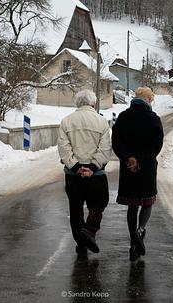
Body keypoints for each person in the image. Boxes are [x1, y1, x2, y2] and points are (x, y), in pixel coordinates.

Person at [112, 87, 164, 261]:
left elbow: (116, 142)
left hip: (128, 167)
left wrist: (129, 158)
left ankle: (132, 244)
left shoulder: (123, 117)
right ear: (148, 100)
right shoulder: (153, 118)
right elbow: (157, 145)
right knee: (148, 201)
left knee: (132, 205)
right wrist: (141, 159)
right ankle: (139, 231)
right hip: (147, 167)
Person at [58, 90, 112, 254]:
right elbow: (104, 149)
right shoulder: (102, 122)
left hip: (73, 176)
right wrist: (93, 167)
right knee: (99, 204)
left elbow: (63, 148)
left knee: (75, 209)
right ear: (93, 104)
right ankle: (89, 230)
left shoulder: (66, 122)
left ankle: (81, 243)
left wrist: (76, 167)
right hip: (96, 176)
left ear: (77, 103)